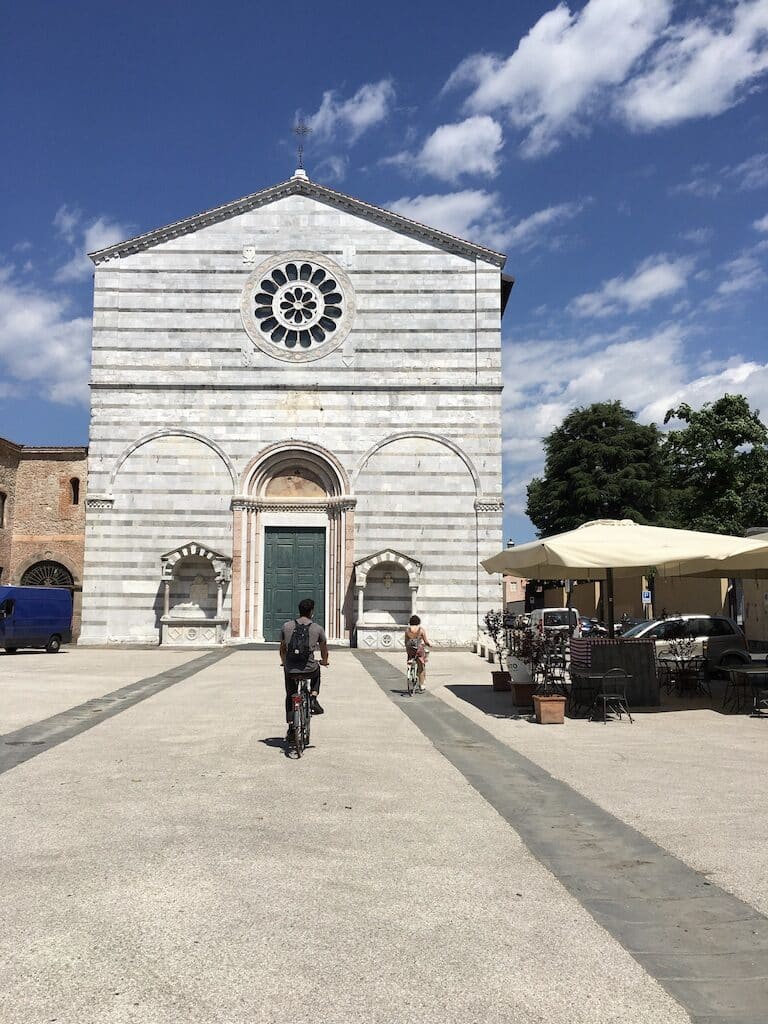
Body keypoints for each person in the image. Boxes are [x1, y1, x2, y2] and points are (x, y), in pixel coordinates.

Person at [280, 598, 329, 741]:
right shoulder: (317, 628)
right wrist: (324, 661)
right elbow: (324, 651)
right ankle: (313, 697)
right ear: (311, 612)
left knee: (290, 693)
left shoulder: (286, 626)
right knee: (317, 671)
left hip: (291, 669)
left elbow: (282, 649)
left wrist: (284, 663)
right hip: (309, 668)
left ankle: (290, 726)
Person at [404, 614, 430, 691]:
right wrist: (429, 644)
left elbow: (405, 642)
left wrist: (407, 649)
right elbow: (426, 641)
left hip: (410, 650)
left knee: (410, 657)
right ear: (418, 622)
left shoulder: (407, 630)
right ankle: (421, 685)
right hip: (418, 650)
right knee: (421, 666)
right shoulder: (421, 630)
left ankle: (410, 665)